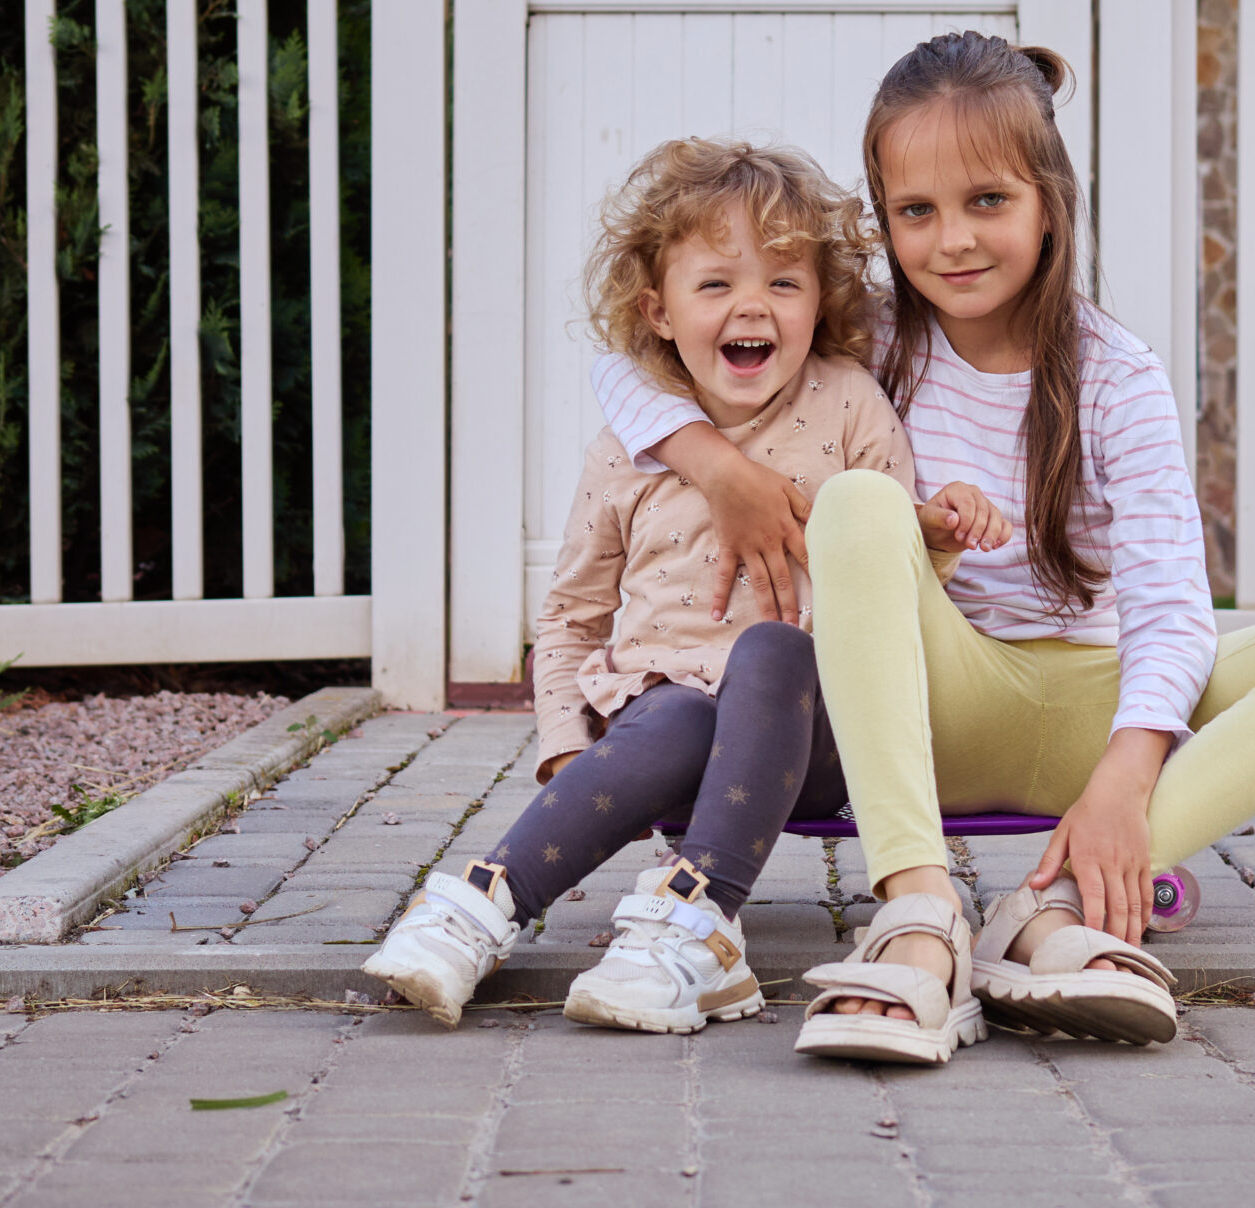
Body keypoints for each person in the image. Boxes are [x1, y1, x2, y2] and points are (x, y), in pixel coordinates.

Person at [589, 32, 1255, 1064]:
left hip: (1088, 718)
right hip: (928, 708)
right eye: (915, 212)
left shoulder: (1117, 375)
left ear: (1047, 202)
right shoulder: (870, 341)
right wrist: (723, 470)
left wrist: (1124, 772)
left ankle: (1055, 912)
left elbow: (1167, 602)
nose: (953, 242)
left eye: (987, 201)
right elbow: (630, 370)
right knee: (856, 503)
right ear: (883, 222)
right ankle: (919, 911)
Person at [366, 137, 984, 1034]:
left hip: (814, 739)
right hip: (663, 738)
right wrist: (565, 751)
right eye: (716, 284)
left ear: (820, 300)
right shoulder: (627, 449)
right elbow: (573, 616)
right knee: (680, 707)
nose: (753, 306)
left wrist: (937, 530)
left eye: (783, 282)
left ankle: (699, 926)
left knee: (772, 651)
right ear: (658, 311)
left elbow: (895, 583)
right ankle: (480, 906)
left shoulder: (850, 404)